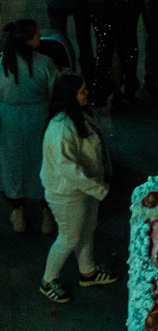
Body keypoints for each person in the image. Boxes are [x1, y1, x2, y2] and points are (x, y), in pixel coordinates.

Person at [36, 71, 114, 304]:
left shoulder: (78, 117)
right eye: (81, 91)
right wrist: (99, 189)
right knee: (69, 237)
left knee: (87, 228)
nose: (86, 93)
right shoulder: (61, 129)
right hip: (67, 193)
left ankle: (87, 271)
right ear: (70, 96)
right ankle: (48, 280)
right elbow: (69, 169)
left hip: (84, 189)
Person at [0, 19, 57, 235]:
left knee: (12, 167)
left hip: (9, 121)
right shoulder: (45, 63)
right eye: (37, 34)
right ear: (28, 40)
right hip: (39, 119)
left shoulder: (2, 65)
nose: (40, 36)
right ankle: (46, 216)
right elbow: (54, 93)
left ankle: (18, 214)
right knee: (42, 166)